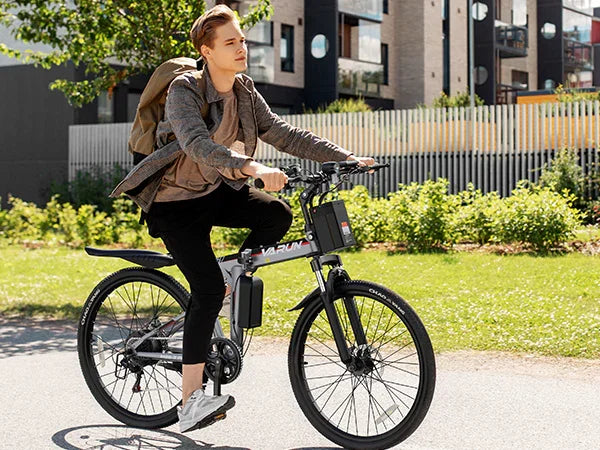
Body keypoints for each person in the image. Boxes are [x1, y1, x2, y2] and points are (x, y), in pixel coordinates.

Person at [113, 4, 374, 434]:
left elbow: (284, 133)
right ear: (207, 50)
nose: (242, 48)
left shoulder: (244, 91)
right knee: (207, 288)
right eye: (231, 42)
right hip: (173, 203)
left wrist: (345, 158)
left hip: (215, 192)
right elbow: (199, 145)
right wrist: (253, 168)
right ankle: (191, 400)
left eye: (242, 40)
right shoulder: (185, 91)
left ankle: (228, 286)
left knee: (277, 215)